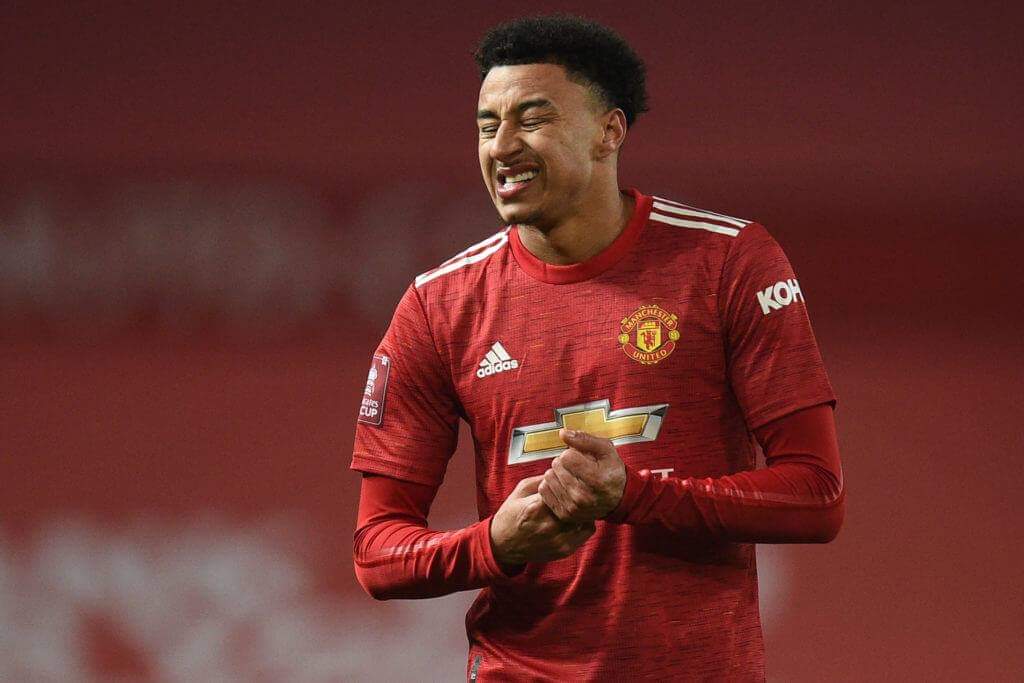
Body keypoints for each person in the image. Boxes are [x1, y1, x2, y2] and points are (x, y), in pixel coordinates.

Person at [351, 14, 844, 682]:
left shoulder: (728, 262)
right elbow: (377, 552)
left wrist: (634, 496)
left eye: (532, 119)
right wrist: (495, 544)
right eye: (487, 126)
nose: (503, 146)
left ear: (609, 132)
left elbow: (816, 494)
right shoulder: (438, 305)